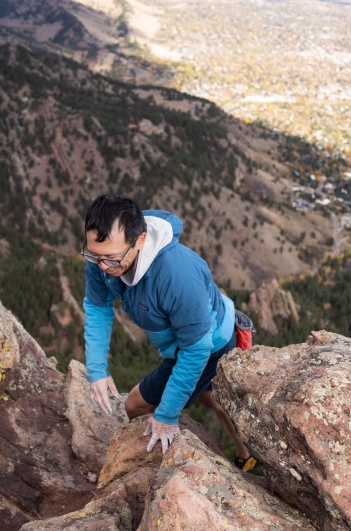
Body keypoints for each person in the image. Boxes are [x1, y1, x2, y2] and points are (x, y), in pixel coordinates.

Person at [81, 194, 254, 469]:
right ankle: (248, 455)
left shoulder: (175, 275)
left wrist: (166, 415)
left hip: (211, 344)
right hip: (193, 338)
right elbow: (98, 307)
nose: (102, 266)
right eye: (94, 255)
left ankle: (152, 467)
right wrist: (97, 370)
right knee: (212, 396)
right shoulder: (104, 259)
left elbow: (197, 349)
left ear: (139, 240)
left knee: (135, 405)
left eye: (111, 259)